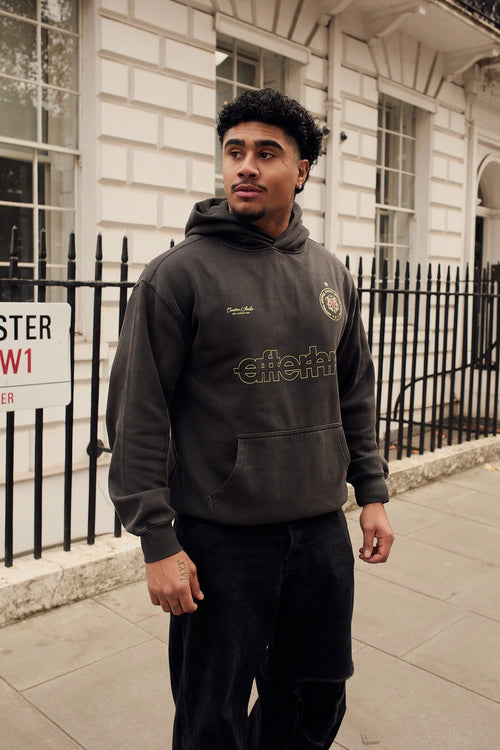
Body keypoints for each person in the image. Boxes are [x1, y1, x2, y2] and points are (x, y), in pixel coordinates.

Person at [106, 87, 394, 749]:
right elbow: (137, 415)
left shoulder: (330, 273)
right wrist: (157, 541)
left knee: (316, 696)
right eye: (235, 151)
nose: (246, 166)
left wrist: (372, 493)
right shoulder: (177, 276)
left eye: (267, 153)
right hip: (221, 541)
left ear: (302, 170)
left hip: (320, 532)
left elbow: (354, 391)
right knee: (212, 718)